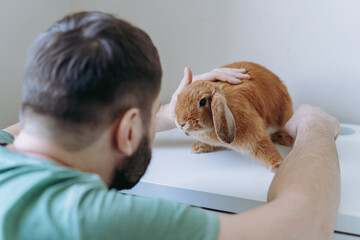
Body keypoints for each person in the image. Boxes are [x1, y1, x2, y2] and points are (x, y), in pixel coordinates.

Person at [0, 11, 340, 240]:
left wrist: (171, 111)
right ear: (129, 130)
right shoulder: (89, 219)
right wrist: (315, 129)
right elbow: (307, 223)